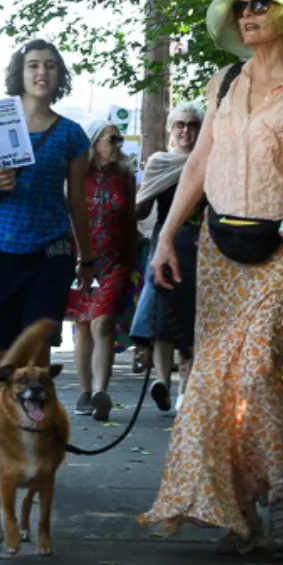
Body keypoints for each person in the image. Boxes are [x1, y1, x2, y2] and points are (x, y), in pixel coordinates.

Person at [139, 0, 283, 557]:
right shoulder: (224, 80)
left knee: (255, 373)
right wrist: (167, 236)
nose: (249, 13)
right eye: (242, 6)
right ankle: (239, 516)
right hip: (219, 247)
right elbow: (198, 165)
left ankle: (282, 493)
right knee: (213, 382)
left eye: (262, 3)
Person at [0, 40, 94, 402]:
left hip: (51, 252)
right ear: (20, 72)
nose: (41, 72)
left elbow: (78, 203)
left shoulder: (72, 134)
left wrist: (89, 260)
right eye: (33, 65)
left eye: (50, 65)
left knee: (37, 350)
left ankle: (35, 429)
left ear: (59, 74)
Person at [129, 104, 203, 411]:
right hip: (165, 243)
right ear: (171, 129)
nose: (186, 131)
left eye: (193, 125)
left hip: (199, 247)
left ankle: (185, 389)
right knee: (160, 315)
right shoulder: (159, 162)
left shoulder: (207, 161)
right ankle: (162, 380)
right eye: (180, 125)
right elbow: (143, 208)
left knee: (191, 318)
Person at [71, 123, 136, 417]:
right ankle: (84, 392)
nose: (117, 144)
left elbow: (132, 218)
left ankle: (101, 391)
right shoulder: (77, 174)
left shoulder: (126, 176)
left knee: (102, 322)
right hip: (81, 259)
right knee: (82, 325)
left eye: (120, 139)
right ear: (95, 142)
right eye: (112, 139)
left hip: (116, 260)